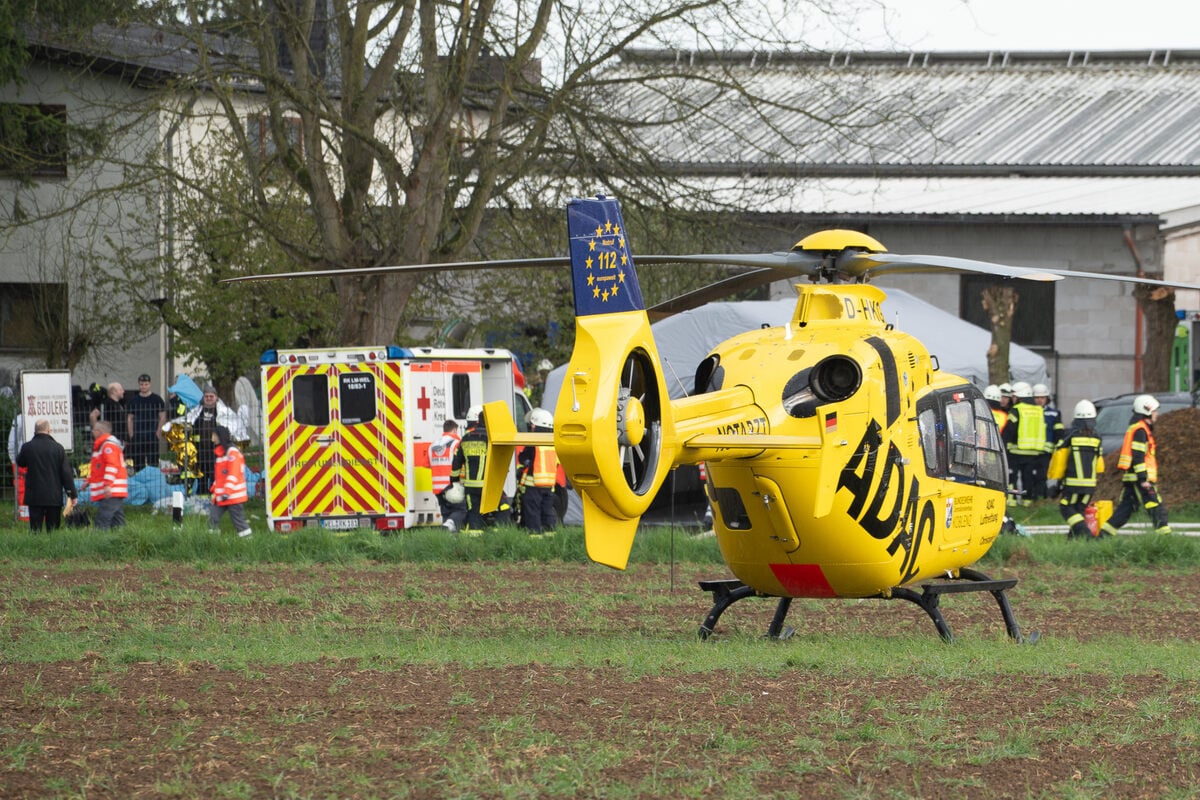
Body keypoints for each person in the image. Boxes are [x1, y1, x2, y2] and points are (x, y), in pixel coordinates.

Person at [1100, 394, 1171, 536]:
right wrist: (1143, 479)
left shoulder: (1140, 429)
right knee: (1155, 505)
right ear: (1147, 411)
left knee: (1125, 510)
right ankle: (1166, 537)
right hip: (1140, 479)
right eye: (1155, 411)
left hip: (1134, 478)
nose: (1157, 414)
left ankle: (1103, 536)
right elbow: (1138, 457)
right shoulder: (1140, 430)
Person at [16, 418, 77, 532]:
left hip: (34, 495)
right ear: (49, 430)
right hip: (53, 496)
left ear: (35, 431)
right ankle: (52, 548)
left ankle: (36, 548)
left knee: (35, 530)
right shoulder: (58, 448)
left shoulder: (27, 447)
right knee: (53, 530)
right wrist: (72, 495)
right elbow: (66, 474)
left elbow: (20, 462)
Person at [1055, 400, 1104, 539]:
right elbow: (1100, 465)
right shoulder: (1097, 437)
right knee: (1079, 509)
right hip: (1090, 484)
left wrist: (1056, 482)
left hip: (1073, 483)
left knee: (1066, 507)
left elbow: (1059, 459)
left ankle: (1087, 535)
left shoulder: (1070, 436)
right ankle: (1072, 540)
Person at [518, 408, 560, 536]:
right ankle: (551, 535)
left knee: (533, 511)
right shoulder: (554, 442)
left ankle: (535, 537)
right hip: (549, 485)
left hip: (534, 484)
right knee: (547, 511)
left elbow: (524, 458)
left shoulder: (535, 442)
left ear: (535, 425)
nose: (531, 427)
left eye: (532, 425)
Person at [1003, 381, 1047, 504]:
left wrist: (1004, 443)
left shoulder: (1017, 409)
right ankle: (1027, 500)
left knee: (1012, 475)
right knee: (1028, 476)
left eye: (1014, 397)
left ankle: (1011, 500)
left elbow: (1010, 429)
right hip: (1034, 450)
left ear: (1018, 396)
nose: (1013, 399)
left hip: (1017, 449)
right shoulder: (1038, 410)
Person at [451, 405, 489, 533]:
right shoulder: (490, 438)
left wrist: (454, 481)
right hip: (488, 486)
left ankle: (474, 540)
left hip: (471, 486)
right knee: (491, 512)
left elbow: (456, 463)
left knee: (473, 512)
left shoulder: (466, 438)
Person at [209, 425, 252, 537]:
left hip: (233, 496)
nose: (213, 438)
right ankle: (212, 541)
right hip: (223, 495)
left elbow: (233, 473)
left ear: (220, 436)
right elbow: (220, 477)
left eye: (214, 435)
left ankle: (248, 541)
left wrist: (227, 491)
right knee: (213, 518)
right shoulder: (221, 453)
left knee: (239, 522)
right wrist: (215, 490)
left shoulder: (232, 453)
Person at [88, 420, 128, 529]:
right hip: (114, 490)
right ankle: (123, 539)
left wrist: (107, 485)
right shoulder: (105, 445)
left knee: (102, 520)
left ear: (99, 431)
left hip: (112, 490)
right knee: (117, 520)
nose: (92, 432)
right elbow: (99, 469)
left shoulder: (107, 446)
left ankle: (99, 542)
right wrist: (89, 481)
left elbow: (112, 465)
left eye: (94, 429)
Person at [126, 374, 167, 471]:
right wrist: (131, 434)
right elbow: (130, 418)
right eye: (141, 384)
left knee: (153, 462)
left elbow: (163, 417)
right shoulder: (133, 400)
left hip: (152, 435)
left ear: (150, 384)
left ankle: (152, 483)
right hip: (138, 435)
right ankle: (139, 482)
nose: (143, 386)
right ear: (138, 385)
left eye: (146, 384)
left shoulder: (157, 399)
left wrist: (158, 432)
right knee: (138, 462)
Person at [430, 419, 465, 531]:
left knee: (446, 513)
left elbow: (426, 464)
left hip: (437, 488)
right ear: (455, 430)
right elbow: (461, 462)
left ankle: (450, 539)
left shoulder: (433, 445)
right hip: (451, 486)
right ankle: (450, 524)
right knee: (461, 510)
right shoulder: (456, 443)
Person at [1033, 383, 1065, 497]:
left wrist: (1059, 445)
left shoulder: (1054, 413)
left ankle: (1041, 497)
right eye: (1037, 398)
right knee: (1030, 476)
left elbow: (1059, 431)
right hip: (1031, 450)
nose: (1039, 400)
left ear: (1047, 398)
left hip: (1046, 452)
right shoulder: (1028, 412)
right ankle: (1033, 497)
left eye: (1042, 398)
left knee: (1042, 476)